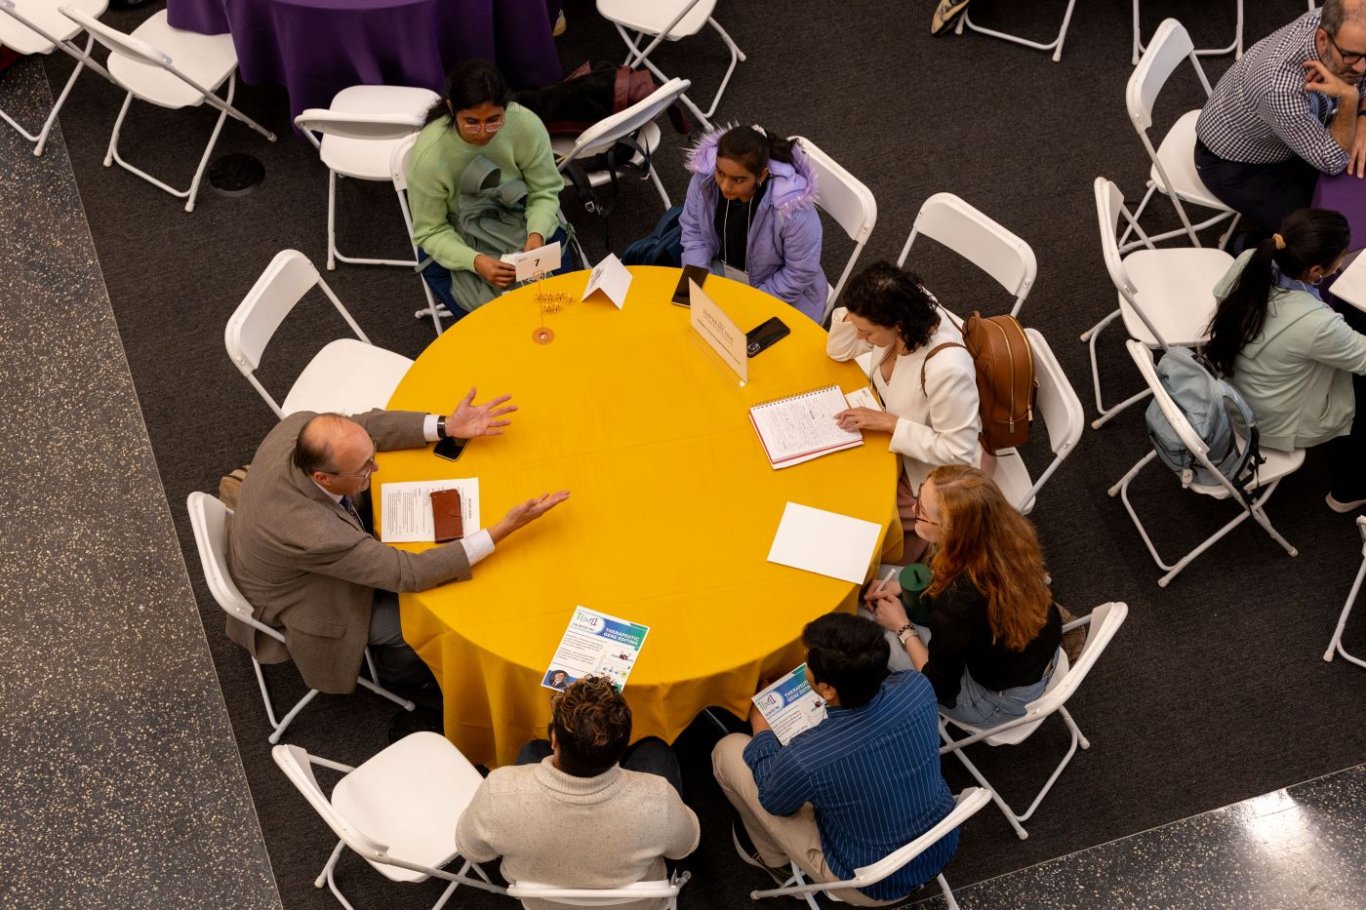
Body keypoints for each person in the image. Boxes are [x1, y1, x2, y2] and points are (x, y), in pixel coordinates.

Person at [226, 390, 570, 695]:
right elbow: (410, 572)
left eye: (370, 455)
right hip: (313, 600)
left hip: (279, 557)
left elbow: (366, 426)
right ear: (323, 477)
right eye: (363, 468)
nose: (375, 467)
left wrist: (447, 426)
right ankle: (398, 674)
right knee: (426, 623)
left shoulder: (299, 428)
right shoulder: (315, 534)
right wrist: (503, 529)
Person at [711, 613, 957, 907]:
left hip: (873, 881)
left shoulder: (807, 757)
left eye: (807, 661)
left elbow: (774, 801)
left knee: (728, 750)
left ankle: (773, 858)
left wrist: (761, 731)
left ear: (828, 689)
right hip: (940, 843)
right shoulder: (918, 686)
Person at [456, 676, 699, 910]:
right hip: (638, 905)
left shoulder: (499, 789)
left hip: (544, 905)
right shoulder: (657, 797)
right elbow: (685, 846)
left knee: (531, 749)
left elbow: (472, 850)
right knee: (656, 750)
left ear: (554, 739)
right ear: (622, 748)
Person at [865, 465, 1062, 728]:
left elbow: (940, 688)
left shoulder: (956, 604)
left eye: (922, 512)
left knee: (869, 621)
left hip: (996, 701)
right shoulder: (1008, 536)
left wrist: (902, 627)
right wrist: (902, 587)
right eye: (920, 494)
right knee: (895, 578)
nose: (913, 510)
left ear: (953, 534)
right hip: (1036, 657)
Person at [1204, 208, 1366, 511]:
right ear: (1316, 271)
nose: (1342, 264)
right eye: (1341, 258)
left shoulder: (1249, 261)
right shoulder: (1316, 324)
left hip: (1234, 385)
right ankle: (1349, 488)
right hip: (1270, 422)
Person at [827, 261, 981, 560]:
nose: (861, 339)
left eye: (867, 333)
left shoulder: (947, 369)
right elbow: (838, 351)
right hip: (886, 434)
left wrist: (890, 424)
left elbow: (959, 453)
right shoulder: (903, 307)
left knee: (845, 507)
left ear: (896, 325)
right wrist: (855, 316)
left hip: (920, 467)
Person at [408, 60, 569, 320]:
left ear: (507, 108)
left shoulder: (525, 124)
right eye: (471, 122)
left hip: (520, 215)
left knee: (560, 309)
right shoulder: (429, 155)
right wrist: (475, 261)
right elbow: (430, 230)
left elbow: (545, 191)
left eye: (494, 120)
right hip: (458, 233)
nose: (483, 133)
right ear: (451, 108)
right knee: (503, 323)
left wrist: (536, 233)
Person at [1195, 0, 1366, 235]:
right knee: (1321, 234)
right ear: (1323, 40)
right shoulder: (1278, 86)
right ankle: (1248, 244)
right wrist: (1350, 99)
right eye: (1351, 57)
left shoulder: (1340, 31)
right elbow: (1332, 161)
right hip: (1238, 164)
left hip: (1285, 135)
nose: (1361, 67)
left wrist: (1363, 117)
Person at [679, 124, 827, 323]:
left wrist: (750, 303)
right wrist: (696, 280)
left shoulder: (793, 210)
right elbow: (694, 231)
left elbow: (799, 272)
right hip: (722, 271)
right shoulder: (703, 181)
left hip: (777, 290)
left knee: (751, 350)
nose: (725, 186)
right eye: (720, 173)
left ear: (762, 175)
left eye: (738, 180)